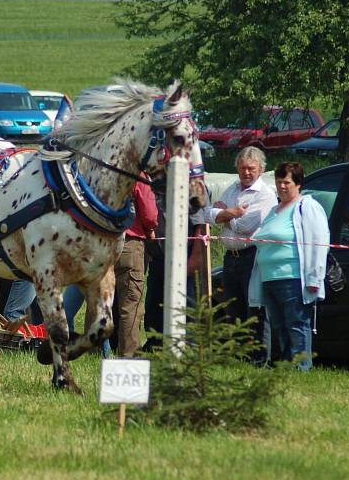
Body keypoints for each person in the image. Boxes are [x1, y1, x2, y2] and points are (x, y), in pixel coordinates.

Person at [62, 172, 157, 357]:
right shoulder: (138, 174)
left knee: (97, 297)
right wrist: (151, 229)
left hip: (101, 242)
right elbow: (149, 213)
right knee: (130, 302)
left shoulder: (100, 170)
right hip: (130, 243)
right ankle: (128, 353)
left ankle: (94, 349)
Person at [249, 162, 329, 370]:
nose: (282, 186)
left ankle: (302, 367)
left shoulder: (306, 206)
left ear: (298, 184)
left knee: (297, 325)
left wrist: (314, 279)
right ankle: (287, 366)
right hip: (269, 278)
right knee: (279, 326)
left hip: (293, 278)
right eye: (279, 182)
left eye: (287, 182)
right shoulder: (274, 210)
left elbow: (318, 244)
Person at [204, 146, 276, 351]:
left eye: (251, 168)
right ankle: (237, 352)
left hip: (251, 256)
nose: (246, 172)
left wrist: (225, 214)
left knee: (254, 307)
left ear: (261, 169)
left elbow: (246, 227)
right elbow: (209, 214)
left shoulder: (265, 194)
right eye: (242, 168)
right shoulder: (233, 188)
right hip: (230, 257)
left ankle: (257, 355)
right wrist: (233, 213)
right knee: (232, 305)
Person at [143, 185, 207, 351]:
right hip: (158, 255)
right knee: (153, 304)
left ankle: (189, 346)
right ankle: (155, 345)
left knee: (186, 301)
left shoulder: (191, 182)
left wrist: (196, 255)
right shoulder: (152, 181)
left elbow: (200, 223)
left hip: (184, 255)